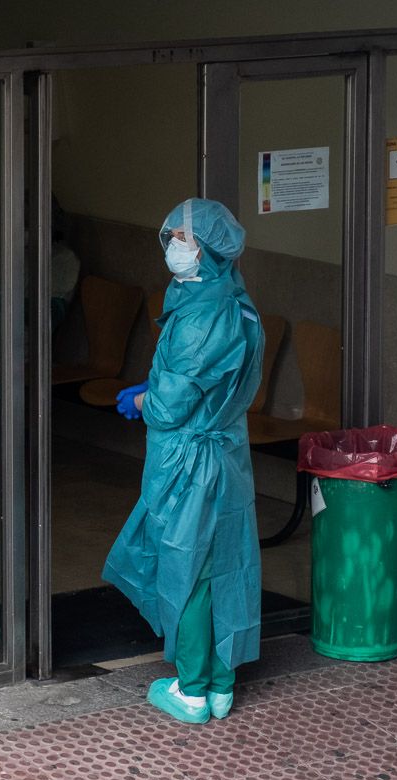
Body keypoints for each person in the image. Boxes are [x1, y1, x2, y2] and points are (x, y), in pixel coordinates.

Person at [103, 198, 264, 725]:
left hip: (191, 460)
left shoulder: (203, 316)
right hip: (226, 452)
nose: (171, 246)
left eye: (181, 238)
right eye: (168, 235)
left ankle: (192, 690)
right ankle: (220, 684)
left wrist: (146, 398)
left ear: (209, 248)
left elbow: (173, 404)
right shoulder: (229, 299)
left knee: (188, 567)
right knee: (224, 564)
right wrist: (159, 386)